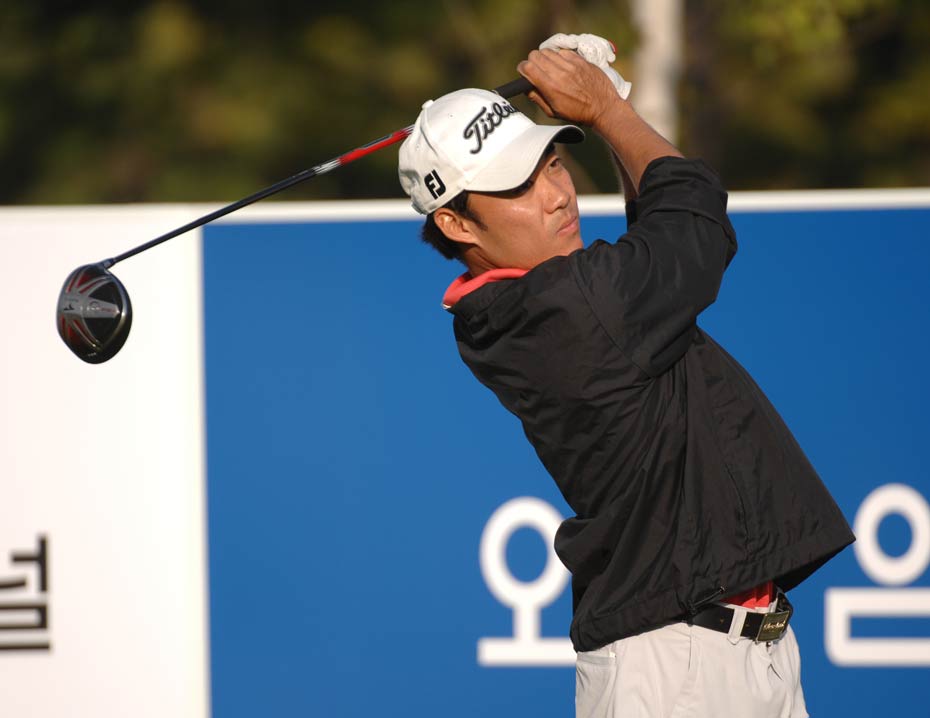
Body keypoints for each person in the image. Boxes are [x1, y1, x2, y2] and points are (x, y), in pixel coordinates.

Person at [398, 33, 854, 718]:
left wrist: (609, 114)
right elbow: (695, 223)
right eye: (517, 186)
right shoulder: (564, 309)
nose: (558, 195)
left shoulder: (543, 303)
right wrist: (609, 113)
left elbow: (656, 247)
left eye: (553, 163)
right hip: (676, 670)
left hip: (729, 652)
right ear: (456, 223)